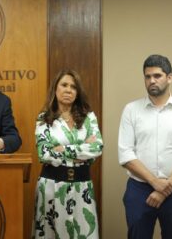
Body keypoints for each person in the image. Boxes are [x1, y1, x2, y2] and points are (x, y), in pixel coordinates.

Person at [118, 54, 172, 239]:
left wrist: (164, 189)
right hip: (139, 190)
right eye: (147, 77)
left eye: (157, 76)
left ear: (169, 77)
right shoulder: (131, 110)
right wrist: (155, 183)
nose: (152, 80)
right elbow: (126, 154)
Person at [32, 69, 103, 239]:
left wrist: (63, 149)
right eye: (64, 85)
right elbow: (44, 154)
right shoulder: (44, 119)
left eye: (73, 87)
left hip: (82, 186)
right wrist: (81, 148)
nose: (68, 90)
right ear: (55, 89)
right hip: (50, 186)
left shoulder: (88, 117)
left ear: (77, 93)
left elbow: (96, 148)